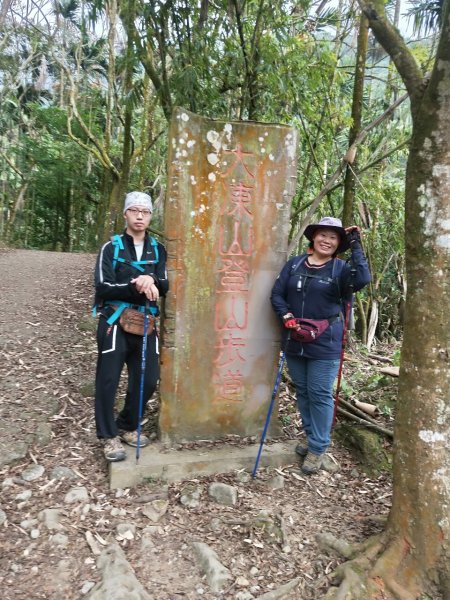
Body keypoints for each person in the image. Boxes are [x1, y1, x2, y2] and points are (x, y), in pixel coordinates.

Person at [270, 216, 371, 475]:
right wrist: (285, 315)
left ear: (339, 243)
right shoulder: (294, 265)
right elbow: (277, 294)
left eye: (334, 237)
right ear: (314, 238)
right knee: (303, 391)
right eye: (323, 235)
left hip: (326, 342)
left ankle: (318, 447)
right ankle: (311, 438)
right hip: (295, 338)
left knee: (320, 393)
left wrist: (356, 243)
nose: (327, 240)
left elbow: (363, 278)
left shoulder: (341, 270)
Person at [93, 191, 168, 462]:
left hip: (146, 322)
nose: (140, 215)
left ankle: (127, 425)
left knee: (148, 378)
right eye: (134, 210)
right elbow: (103, 286)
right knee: (108, 378)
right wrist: (138, 283)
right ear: (125, 213)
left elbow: (165, 285)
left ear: (150, 216)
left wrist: (152, 280)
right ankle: (108, 435)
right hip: (115, 321)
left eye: (145, 211)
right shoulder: (111, 248)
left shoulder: (157, 249)